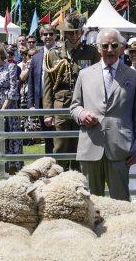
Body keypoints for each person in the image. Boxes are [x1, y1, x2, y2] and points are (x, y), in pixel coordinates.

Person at [70, 28, 136, 200]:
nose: (110, 50)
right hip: (90, 147)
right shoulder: (84, 74)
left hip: (121, 150)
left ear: (121, 48)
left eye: (114, 45)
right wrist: (81, 114)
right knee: (90, 203)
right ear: (98, 48)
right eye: (105, 46)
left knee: (121, 205)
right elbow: (74, 106)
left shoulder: (133, 77)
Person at [42, 14, 99, 170]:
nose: (74, 35)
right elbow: (47, 86)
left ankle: (76, 184)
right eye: (70, 32)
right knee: (60, 148)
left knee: (80, 148)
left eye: (77, 32)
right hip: (61, 106)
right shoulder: (53, 54)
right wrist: (48, 113)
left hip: (84, 105)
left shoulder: (91, 53)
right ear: (64, 33)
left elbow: (97, 82)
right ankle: (56, 185)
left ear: (81, 32)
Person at [0, 40, 23, 175]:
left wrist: (3, 110)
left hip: (9, 107)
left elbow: (13, 89)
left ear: (0, 52)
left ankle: (13, 169)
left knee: (12, 138)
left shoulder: (11, 67)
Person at [27, 24, 57, 154]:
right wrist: (30, 104)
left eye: (51, 34)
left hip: (58, 101)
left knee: (59, 137)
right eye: (45, 34)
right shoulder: (36, 57)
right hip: (41, 103)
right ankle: (50, 166)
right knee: (48, 138)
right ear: (41, 36)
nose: (48, 37)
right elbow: (31, 83)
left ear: (56, 35)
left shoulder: (61, 54)